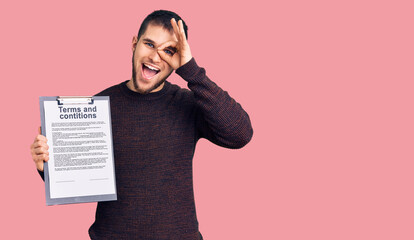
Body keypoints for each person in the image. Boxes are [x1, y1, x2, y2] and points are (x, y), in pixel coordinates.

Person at [30, 10, 253, 240]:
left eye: (168, 51)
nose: (156, 57)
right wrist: (47, 168)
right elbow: (81, 180)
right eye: (149, 44)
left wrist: (191, 70)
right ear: (134, 44)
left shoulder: (188, 103)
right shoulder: (97, 107)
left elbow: (240, 133)